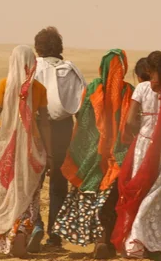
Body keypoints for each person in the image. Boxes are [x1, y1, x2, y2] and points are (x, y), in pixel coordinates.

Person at [0, 45, 52, 258]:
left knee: (6, 192)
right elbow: (44, 124)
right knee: (28, 192)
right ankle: (21, 233)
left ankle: (7, 235)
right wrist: (49, 153)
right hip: (32, 148)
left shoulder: (5, 84)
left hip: (6, 146)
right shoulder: (40, 88)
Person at [111, 52, 161, 261]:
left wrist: (145, 130)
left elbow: (130, 122)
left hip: (145, 145)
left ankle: (136, 240)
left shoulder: (141, 89)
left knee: (142, 188)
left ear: (147, 69)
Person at [53, 49, 134, 260]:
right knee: (111, 200)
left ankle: (99, 241)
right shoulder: (128, 92)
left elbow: (83, 121)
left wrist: (85, 150)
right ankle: (106, 240)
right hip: (117, 157)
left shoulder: (93, 89)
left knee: (93, 198)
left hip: (92, 157)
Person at [29, 27, 86, 252]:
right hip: (63, 129)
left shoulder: (33, 68)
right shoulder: (71, 70)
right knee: (58, 183)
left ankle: (33, 225)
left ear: (39, 47)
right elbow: (82, 104)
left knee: (33, 181)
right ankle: (55, 235)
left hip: (36, 129)